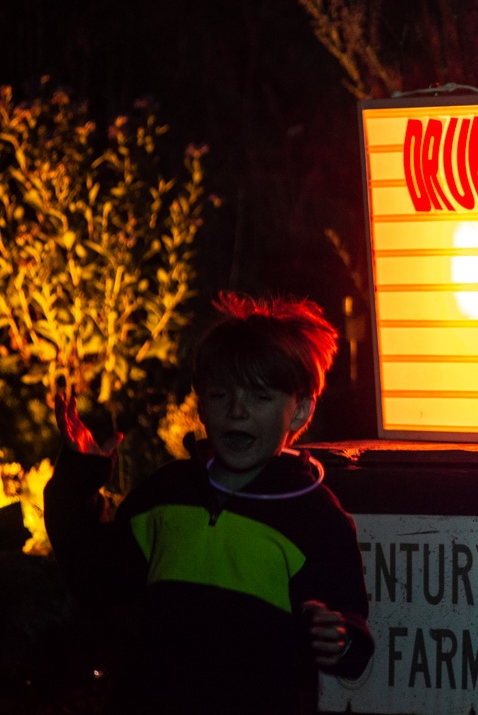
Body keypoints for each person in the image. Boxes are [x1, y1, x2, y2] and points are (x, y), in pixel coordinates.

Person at [44, 291, 374, 714]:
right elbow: (91, 576)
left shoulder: (316, 519)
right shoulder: (167, 493)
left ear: (299, 412)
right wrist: (78, 478)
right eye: (221, 395)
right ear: (200, 403)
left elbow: (351, 633)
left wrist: (340, 638)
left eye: (259, 396)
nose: (237, 411)